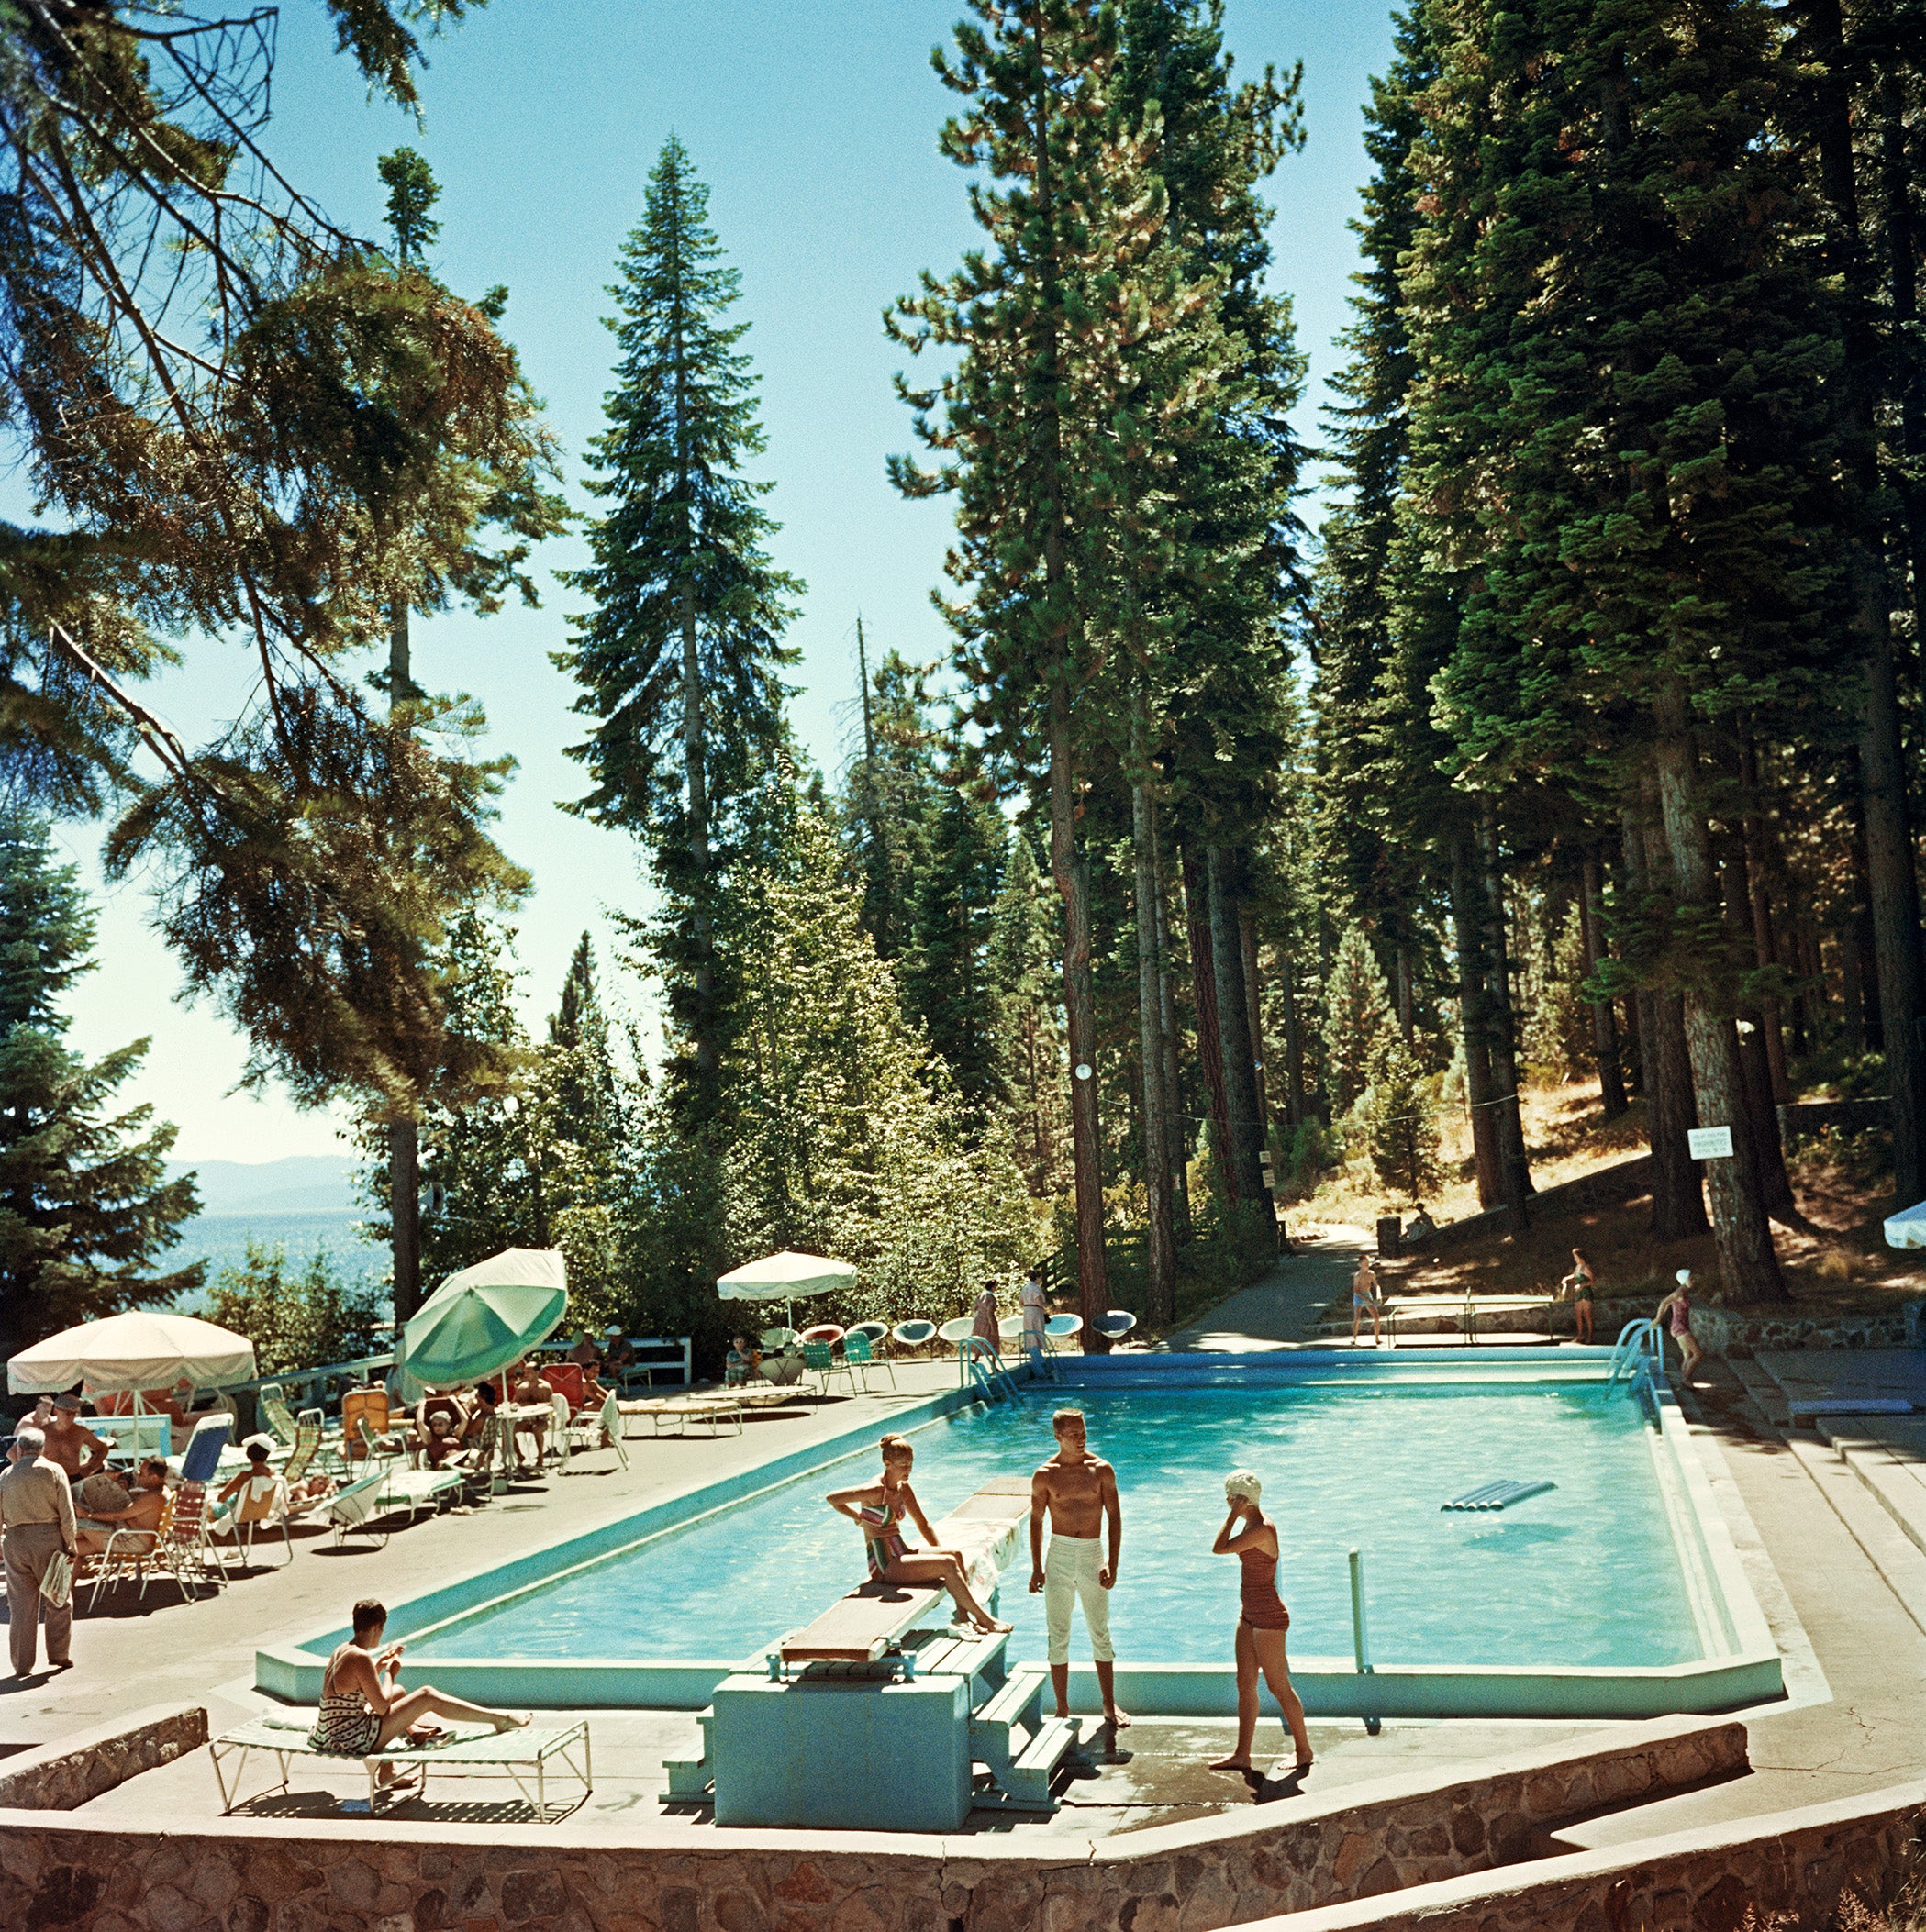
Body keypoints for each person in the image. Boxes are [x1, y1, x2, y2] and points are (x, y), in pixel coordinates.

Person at [310, 1598, 526, 1790]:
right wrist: (390, 1673)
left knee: (398, 1693)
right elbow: (381, 1707)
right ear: (376, 1627)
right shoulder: (361, 1657)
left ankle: (390, 1770)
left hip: (327, 1733)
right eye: (382, 1630)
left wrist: (380, 1666)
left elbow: (353, 1689)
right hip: (349, 1738)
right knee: (426, 1695)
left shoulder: (343, 1650)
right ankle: (499, 1719)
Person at [825, 1436, 1011, 1635]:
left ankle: (963, 1616)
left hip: (902, 1552)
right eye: (903, 1465)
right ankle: (984, 1619)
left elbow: (923, 1524)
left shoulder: (902, 1488)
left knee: (954, 1555)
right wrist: (858, 1518)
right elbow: (833, 1499)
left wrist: (937, 1553)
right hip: (884, 1565)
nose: (909, 1469)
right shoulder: (874, 1490)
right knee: (947, 1563)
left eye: (911, 1463)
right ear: (887, 1463)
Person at [1207, 1471, 1313, 1777]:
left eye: (1229, 1498)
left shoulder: (1262, 1529)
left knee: (1278, 1686)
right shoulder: (1252, 1524)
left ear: (1238, 1499)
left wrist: (1232, 1515)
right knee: (1245, 1684)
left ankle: (1304, 1750)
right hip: (1249, 1614)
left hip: (1268, 1617)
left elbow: (1219, 1547)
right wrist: (1238, 1513)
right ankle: (1242, 1754)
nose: (1226, 1501)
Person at [1030, 1407, 1128, 1730]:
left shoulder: (1101, 1470)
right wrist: (1036, 1567)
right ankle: (1062, 1708)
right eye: (1074, 1434)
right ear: (1058, 1437)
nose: (1081, 1438)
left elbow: (1114, 1517)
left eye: (1083, 1432)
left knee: (1100, 1630)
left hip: (1091, 1552)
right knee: (1058, 1633)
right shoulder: (1045, 1475)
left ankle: (1108, 1704)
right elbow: (1036, 1521)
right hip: (1058, 1553)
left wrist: (1112, 1562)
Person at [0, 1425, 75, 1676]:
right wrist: (71, 1544)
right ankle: (58, 1654)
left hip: (15, 1540)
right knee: (58, 1598)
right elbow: (67, 1514)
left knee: (21, 1606)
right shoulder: (54, 1471)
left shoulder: (6, 1475)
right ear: (42, 1448)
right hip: (49, 1539)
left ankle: (22, 1664)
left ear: (20, 1449)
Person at [76, 1457, 168, 1557]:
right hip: (133, 1538)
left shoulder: (153, 1498)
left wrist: (87, 1515)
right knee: (78, 1545)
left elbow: (118, 1516)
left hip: (132, 1542)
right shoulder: (162, 1492)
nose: (137, 1476)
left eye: (141, 1473)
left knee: (77, 1527)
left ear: (154, 1478)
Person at [42, 1395, 111, 1481]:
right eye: (68, 1413)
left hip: (74, 1477)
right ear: (56, 1411)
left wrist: (89, 1469)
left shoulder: (80, 1432)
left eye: (74, 1413)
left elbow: (102, 1449)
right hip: (49, 1478)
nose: (71, 1417)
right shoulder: (43, 1432)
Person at [1655, 1270, 1704, 1383]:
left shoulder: (1684, 1292)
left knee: (1688, 1355)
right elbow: (1664, 1303)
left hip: (1681, 1326)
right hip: (1680, 1327)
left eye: (1693, 1278)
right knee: (1698, 1354)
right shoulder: (1679, 1292)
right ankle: (1686, 1379)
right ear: (1684, 1280)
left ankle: (1684, 1378)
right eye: (1691, 1279)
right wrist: (1657, 1319)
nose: (1693, 1281)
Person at [508, 1360, 555, 1468]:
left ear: (537, 1372)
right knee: (509, 1429)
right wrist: (515, 1405)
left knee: (537, 1429)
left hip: (541, 1420)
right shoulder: (522, 1388)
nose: (525, 1374)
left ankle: (540, 1457)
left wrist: (534, 1405)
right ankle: (519, 1456)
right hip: (526, 1420)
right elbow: (515, 1402)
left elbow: (551, 1404)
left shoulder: (544, 1387)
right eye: (525, 1372)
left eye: (529, 1372)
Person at [1561, 1247, 1597, 1344]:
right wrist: (1566, 1279)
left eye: (1575, 1257)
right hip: (1579, 1293)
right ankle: (1580, 1335)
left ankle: (1590, 1337)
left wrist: (1582, 1286)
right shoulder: (1578, 1267)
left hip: (1586, 1293)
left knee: (1587, 1314)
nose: (1574, 1259)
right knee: (1578, 1314)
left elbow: (1593, 1281)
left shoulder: (1586, 1268)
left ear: (1580, 1257)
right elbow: (1574, 1276)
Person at [1351, 1255, 1386, 1348]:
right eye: (1364, 1262)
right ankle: (1354, 1338)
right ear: (1360, 1264)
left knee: (1376, 1317)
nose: (1367, 1264)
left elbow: (1376, 1285)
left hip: (1367, 1294)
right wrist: (1365, 1299)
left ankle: (1377, 1338)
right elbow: (1356, 1290)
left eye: (1368, 1262)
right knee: (1357, 1318)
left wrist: (1379, 1294)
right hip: (1359, 1296)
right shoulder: (1357, 1276)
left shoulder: (1371, 1274)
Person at [1019, 1267, 1049, 1350]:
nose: (1041, 1280)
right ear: (1037, 1278)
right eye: (1040, 1278)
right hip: (1035, 1311)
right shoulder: (1036, 1288)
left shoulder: (1025, 1288)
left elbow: (1021, 1303)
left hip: (1027, 1311)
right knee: (1037, 1329)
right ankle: (1038, 1348)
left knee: (1029, 1330)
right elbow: (1039, 1302)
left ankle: (1030, 1348)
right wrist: (1046, 1305)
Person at [971, 1281, 1002, 1352]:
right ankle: (994, 1358)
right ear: (993, 1287)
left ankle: (977, 1356)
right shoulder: (991, 1298)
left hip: (979, 1320)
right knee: (993, 1339)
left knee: (979, 1340)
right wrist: (993, 1325)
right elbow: (990, 1313)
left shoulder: (980, 1295)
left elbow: (974, 1308)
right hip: (987, 1321)